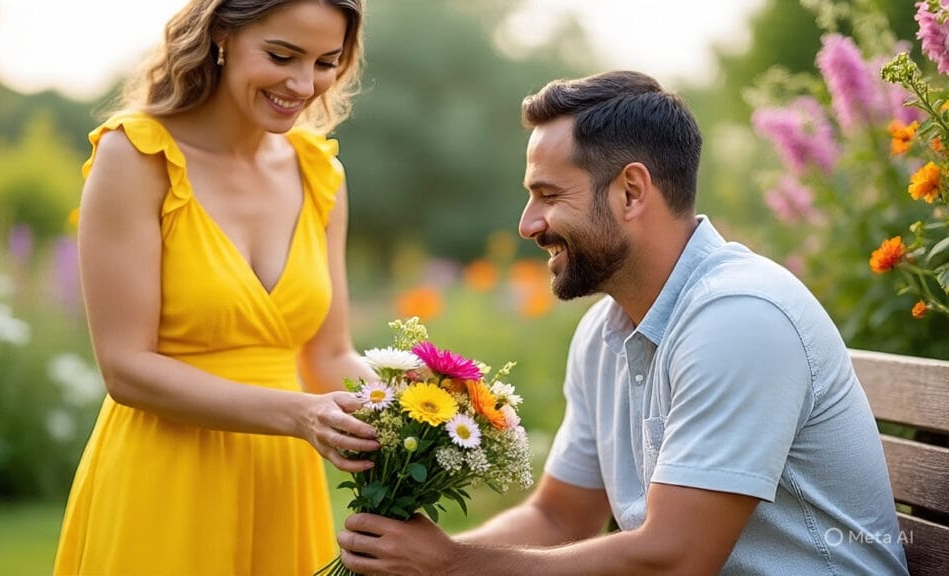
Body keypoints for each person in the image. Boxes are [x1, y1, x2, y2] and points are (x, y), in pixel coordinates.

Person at [335, 70, 910, 575]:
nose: (527, 224)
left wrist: (452, 567)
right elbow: (560, 516)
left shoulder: (739, 318)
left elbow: (675, 560)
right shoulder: (604, 333)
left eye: (548, 194)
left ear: (631, 191)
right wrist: (413, 563)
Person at [52, 1, 381, 574]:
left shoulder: (319, 172)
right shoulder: (134, 156)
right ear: (222, 34)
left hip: (283, 480)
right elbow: (126, 367)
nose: (303, 84)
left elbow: (329, 353)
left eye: (326, 62)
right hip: (165, 478)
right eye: (282, 55)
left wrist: (412, 409)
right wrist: (299, 415)